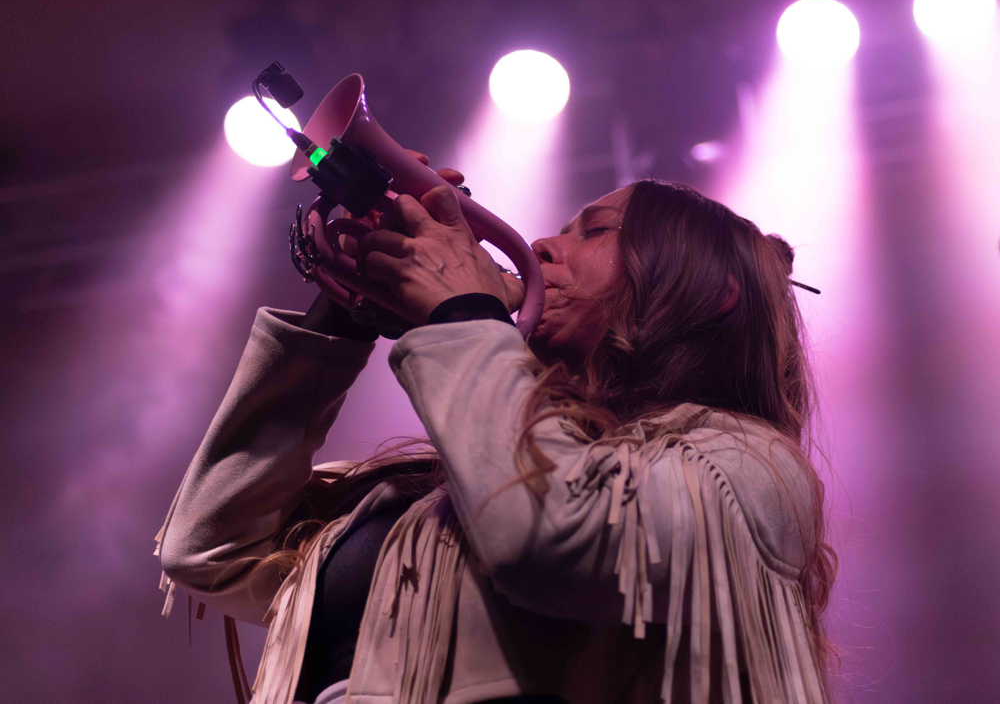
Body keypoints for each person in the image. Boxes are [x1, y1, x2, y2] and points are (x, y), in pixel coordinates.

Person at [155, 163, 837, 704]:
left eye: (595, 231)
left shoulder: (747, 464)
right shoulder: (445, 488)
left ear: (709, 292)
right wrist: (347, 308)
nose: (541, 245)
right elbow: (211, 547)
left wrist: (463, 312)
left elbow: (548, 535)